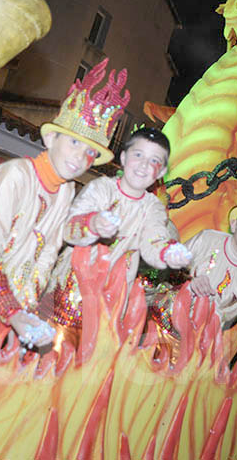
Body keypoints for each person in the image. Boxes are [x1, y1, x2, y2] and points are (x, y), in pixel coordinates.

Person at [0, 58, 130, 348]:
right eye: (75, 143)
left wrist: (25, 306)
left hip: (2, 315)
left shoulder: (66, 191)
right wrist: (13, 312)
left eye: (91, 153)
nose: (81, 158)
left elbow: (48, 254)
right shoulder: (15, 175)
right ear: (52, 138)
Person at [44, 127, 191, 338]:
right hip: (69, 290)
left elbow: (155, 238)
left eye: (153, 161)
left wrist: (167, 253)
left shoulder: (153, 208)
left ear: (160, 172)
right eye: (138, 155)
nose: (143, 165)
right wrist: (93, 224)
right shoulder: (101, 188)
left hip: (110, 302)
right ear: (123, 157)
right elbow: (69, 229)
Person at [149, 171, 237, 356]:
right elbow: (168, 263)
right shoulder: (208, 239)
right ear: (234, 224)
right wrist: (189, 279)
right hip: (161, 317)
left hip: (198, 339)